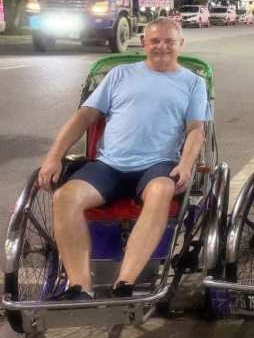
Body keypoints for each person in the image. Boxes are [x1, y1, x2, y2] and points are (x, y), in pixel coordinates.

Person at [37, 18, 209, 300]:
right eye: (155, 41)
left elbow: (195, 130)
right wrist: (53, 157)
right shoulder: (120, 74)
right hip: (109, 166)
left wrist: (186, 164)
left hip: (158, 165)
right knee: (65, 197)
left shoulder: (193, 83)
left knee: (162, 189)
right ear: (144, 43)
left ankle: (125, 282)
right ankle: (80, 286)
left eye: (169, 41)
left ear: (181, 44)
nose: (161, 46)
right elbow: (84, 117)